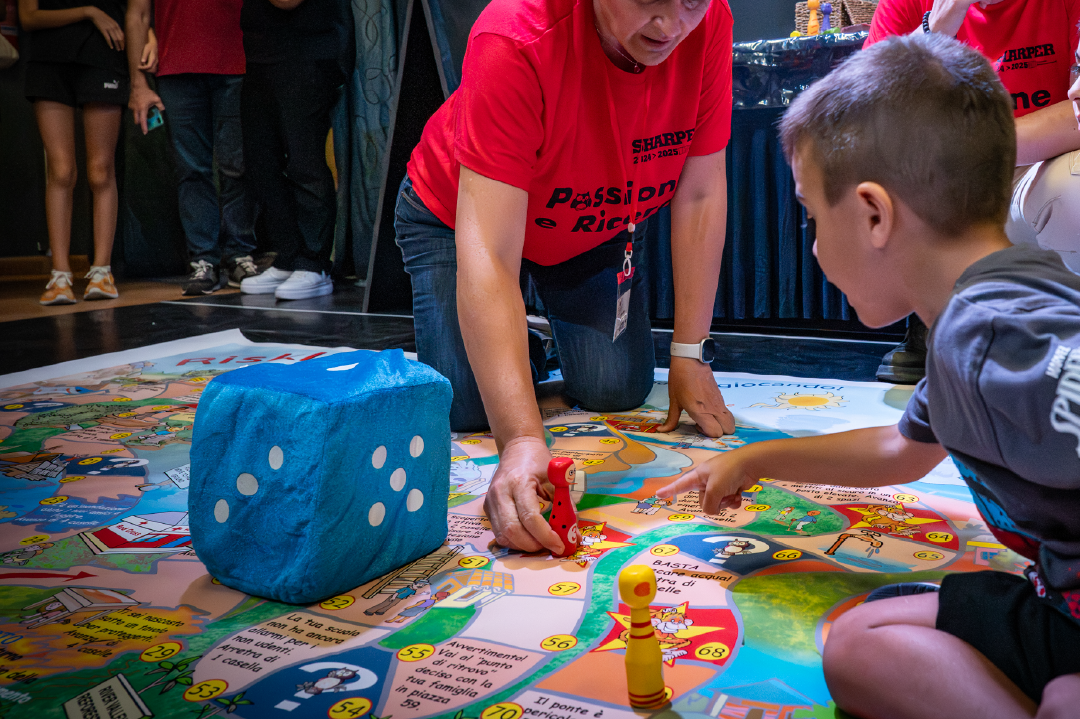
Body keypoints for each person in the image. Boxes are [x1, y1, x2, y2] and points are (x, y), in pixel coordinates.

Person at [658, 34, 1080, 718]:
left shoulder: (994, 334)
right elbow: (903, 450)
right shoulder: (984, 315)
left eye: (813, 219)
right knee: (859, 638)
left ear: (874, 214)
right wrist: (757, 460)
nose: (816, 245)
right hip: (1058, 605)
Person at [398, 0, 736, 556]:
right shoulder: (513, 36)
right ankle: (517, 339)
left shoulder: (711, 22)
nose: (670, 24)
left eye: (691, 2)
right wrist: (522, 440)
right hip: (456, 217)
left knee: (617, 389)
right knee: (466, 405)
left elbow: (700, 192)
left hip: (590, 223)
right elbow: (490, 250)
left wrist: (689, 353)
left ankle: (525, 332)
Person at [866, 0, 1080, 384]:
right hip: (946, 190)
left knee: (1074, 186)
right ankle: (936, 316)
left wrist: (974, 145)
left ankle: (1063, 339)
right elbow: (865, 112)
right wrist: (937, 28)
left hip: (1037, 171)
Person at [125, 0, 260, 296]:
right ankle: (203, 259)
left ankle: (239, 253)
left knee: (236, 164)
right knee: (191, 169)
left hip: (237, 59)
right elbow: (138, 13)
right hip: (177, 66)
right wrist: (138, 83)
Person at [235, 0, 350, 301]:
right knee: (261, 162)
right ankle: (286, 256)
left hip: (306, 52)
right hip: (260, 55)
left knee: (304, 160)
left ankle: (314, 264)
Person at [19, 0, 127, 305]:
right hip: (49, 60)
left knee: (100, 169)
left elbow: (136, 13)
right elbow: (28, 17)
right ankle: (60, 274)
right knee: (62, 170)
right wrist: (89, 12)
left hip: (103, 55)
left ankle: (101, 272)